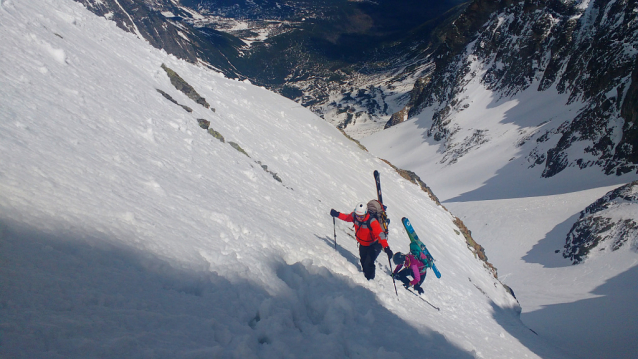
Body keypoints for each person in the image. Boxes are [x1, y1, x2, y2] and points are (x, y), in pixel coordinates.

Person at [330, 202, 392, 280]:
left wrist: (386, 247)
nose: (359, 218)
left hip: (374, 245)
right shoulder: (354, 216)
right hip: (363, 244)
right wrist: (336, 214)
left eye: (361, 216)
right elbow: (346, 217)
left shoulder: (372, 221)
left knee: (369, 262)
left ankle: (370, 280)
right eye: (357, 216)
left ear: (366, 213)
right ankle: (365, 277)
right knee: (363, 260)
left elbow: (380, 234)